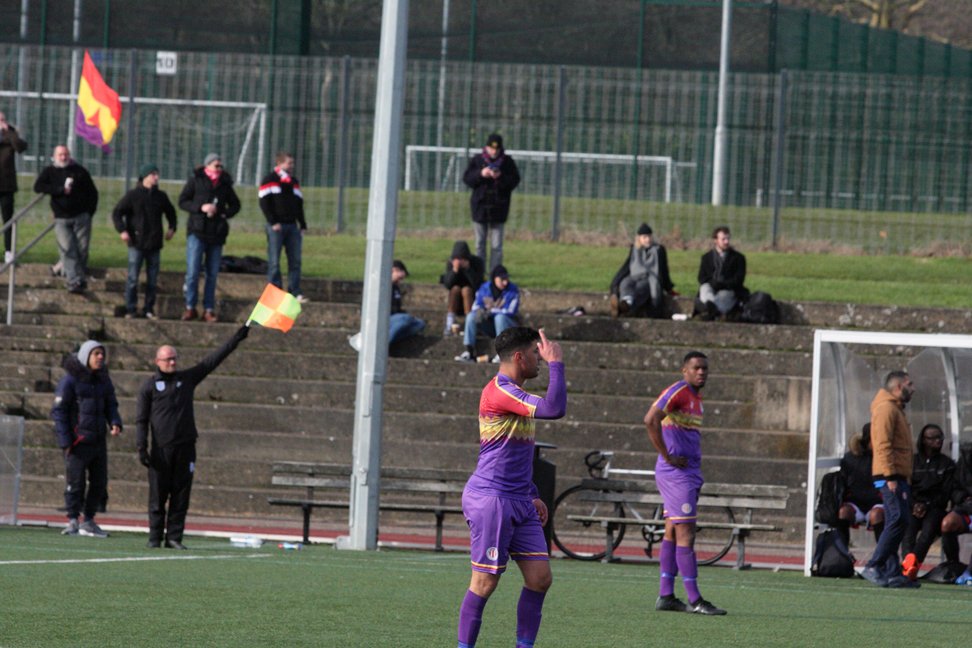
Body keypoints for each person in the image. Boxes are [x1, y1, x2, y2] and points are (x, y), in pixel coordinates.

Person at [456, 326, 566, 648]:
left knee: (539, 579)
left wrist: (531, 493)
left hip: (519, 498)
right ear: (519, 357)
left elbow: (513, 453)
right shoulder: (500, 391)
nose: (540, 359)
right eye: (535, 353)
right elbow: (554, 409)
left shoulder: (517, 394)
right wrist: (557, 363)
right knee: (485, 582)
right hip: (492, 498)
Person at [135, 324, 250, 549]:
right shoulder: (148, 387)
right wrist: (141, 447)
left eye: (174, 358)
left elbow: (212, 361)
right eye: (168, 359)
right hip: (161, 450)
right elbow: (141, 419)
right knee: (157, 496)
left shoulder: (186, 379)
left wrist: (237, 337)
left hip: (185, 447)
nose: (172, 363)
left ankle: (174, 538)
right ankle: (154, 537)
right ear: (157, 361)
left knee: (181, 495)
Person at [645, 351, 727, 615]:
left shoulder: (696, 398)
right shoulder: (678, 391)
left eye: (705, 368)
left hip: (688, 472)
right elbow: (650, 419)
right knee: (686, 533)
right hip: (677, 474)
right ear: (685, 370)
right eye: (696, 368)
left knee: (672, 530)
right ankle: (695, 600)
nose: (701, 372)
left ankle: (666, 595)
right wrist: (667, 456)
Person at [50, 340, 122, 538]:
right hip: (78, 442)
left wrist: (115, 421)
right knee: (76, 483)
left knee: (99, 482)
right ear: (86, 356)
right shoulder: (70, 381)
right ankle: (73, 519)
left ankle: (89, 520)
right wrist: (66, 441)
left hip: (98, 440)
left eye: (102, 354)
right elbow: (59, 411)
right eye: (96, 353)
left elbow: (111, 404)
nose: (100, 357)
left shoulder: (104, 380)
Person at [860, 371, 918, 588]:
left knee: (901, 520)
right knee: (896, 518)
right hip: (889, 476)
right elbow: (882, 444)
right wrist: (890, 476)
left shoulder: (895, 408)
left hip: (897, 474)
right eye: (909, 384)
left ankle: (893, 572)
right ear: (898, 386)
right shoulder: (886, 408)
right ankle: (874, 565)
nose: (913, 388)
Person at [178, 152, 241, 322]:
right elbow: (183, 201)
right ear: (207, 166)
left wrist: (223, 213)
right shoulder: (196, 181)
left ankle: (208, 308)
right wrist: (200, 208)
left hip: (216, 233)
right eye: (216, 165)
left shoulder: (225, 184)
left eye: (220, 166)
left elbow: (235, 205)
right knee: (193, 272)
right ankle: (190, 306)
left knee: (212, 274)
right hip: (197, 231)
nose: (219, 169)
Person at [111, 163, 177, 319]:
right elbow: (117, 213)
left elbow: (171, 213)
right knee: (133, 278)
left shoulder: (161, 196)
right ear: (145, 177)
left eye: (157, 174)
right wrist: (122, 230)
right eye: (153, 174)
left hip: (154, 243)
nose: (156, 177)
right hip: (136, 242)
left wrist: (172, 228)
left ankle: (149, 308)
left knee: (152, 280)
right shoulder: (133, 195)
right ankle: (131, 308)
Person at [33, 145, 98, 294]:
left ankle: (76, 278)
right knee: (67, 248)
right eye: (60, 155)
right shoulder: (49, 171)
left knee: (81, 249)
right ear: (54, 156)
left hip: (81, 216)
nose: (63, 157)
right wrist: (59, 190)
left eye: (65, 154)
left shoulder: (79, 171)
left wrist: (89, 212)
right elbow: (38, 187)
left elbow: (92, 192)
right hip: (61, 217)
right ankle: (74, 280)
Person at [900, 423, 954, 580]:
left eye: (940, 437)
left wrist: (927, 505)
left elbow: (945, 493)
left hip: (935, 507)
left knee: (928, 530)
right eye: (933, 438)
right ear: (924, 440)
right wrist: (914, 504)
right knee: (908, 529)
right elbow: (906, 488)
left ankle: (912, 565)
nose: (938, 441)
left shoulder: (947, 464)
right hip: (914, 506)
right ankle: (908, 565)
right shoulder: (912, 462)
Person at [462, 133, 521, 272]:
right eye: (491, 148)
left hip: (499, 208)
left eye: (497, 149)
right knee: (479, 244)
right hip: (480, 208)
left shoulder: (507, 162)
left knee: (497, 246)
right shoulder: (477, 160)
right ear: (486, 147)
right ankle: (479, 272)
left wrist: (500, 177)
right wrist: (481, 174)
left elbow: (514, 180)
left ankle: (495, 274)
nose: (494, 152)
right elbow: (467, 179)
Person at [259, 151, 308, 303]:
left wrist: (302, 223)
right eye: (289, 163)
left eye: (292, 163)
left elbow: (299, 204)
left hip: (292, 226)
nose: (292, 166)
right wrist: (273, 221)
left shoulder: (293, 182)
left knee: (295, 261)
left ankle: (294, 291)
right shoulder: (270, 180)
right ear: (280, 164)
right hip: (276, 227)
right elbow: (264, 203)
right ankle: (275, 292)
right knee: (274, 261)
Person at [348, 260, 425, 351]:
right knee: (405, 319)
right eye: (400, 277)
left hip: (391, 319)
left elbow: (397, 308)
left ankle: (382, 340)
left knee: (419, 324)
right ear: (394, 270)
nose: (401, 281)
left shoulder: (395, 288)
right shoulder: (379, 285)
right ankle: (377, 345)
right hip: (377, 319)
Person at [455, 265, 520, 363]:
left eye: (506, 279)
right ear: (494, 279)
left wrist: (491, 311)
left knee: (499, 318)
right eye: (502, 279)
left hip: (508, 326)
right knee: (471, 316)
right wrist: (482, 312)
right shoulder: (484, 288)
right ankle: (469, 351)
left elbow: (510, 311)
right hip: (490, 326)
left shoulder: (513, 290)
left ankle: (502, 353)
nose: (505, 282)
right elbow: (475, 307)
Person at [609, 223, 675, 319]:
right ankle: (624, 303)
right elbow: (627, 266)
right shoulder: (634, 249)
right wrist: (614, 283)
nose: (648, 239)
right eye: (645, 237)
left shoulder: (659, 250)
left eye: (649, 236)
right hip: (634, 276)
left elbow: (664, 270)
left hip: (650, 278)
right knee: (625, 283)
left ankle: (626, 307)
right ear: (639, 238)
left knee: (641, 288)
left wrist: (669, 288)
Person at [835, 423, 884, 549]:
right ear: (867, 439)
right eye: (875, 438)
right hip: (855, 502)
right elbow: (844, 481)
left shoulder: (884, 458)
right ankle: (842, 552)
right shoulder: (850, 458)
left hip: (877, 503)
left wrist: (880, 491)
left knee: (876, 514)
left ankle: (883, 555)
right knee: (843, 512)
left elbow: (884, 481)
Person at [695, 225, 747, 321]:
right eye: (723, 239)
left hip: (729, 289)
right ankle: (711, 308)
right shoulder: (706, 257)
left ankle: (709, 311)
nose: (726, 242)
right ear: (716, 240)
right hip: (711, 287)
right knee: (704, 288)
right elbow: (701, 277)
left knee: (724, 295)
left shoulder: (738, 258)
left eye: (728, 239)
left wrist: (723, 284)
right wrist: (713, 283)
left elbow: (739, 280)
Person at [440, 240, 485, 337]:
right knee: (455, 289)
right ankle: (449, 323)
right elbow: (448, 284)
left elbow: (478, 284)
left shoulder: (477, 262)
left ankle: (470, 322)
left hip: (471, 296)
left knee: (466, 290)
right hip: (456, 298)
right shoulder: (451, 264)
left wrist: (468, 269)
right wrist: (454, 271)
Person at [0, 110, 28, 265]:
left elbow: (21, 147)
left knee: (8, 219)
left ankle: (9, 251)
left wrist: (9, 133)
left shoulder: (10, 135)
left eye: (3, 119)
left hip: (6, 185)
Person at [942, 441, 972, 584]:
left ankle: (970, 572)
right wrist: (963, 498)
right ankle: (954, 566)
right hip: (966, 507)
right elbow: (954, 488)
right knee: (947, 523)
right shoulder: (964, 461)